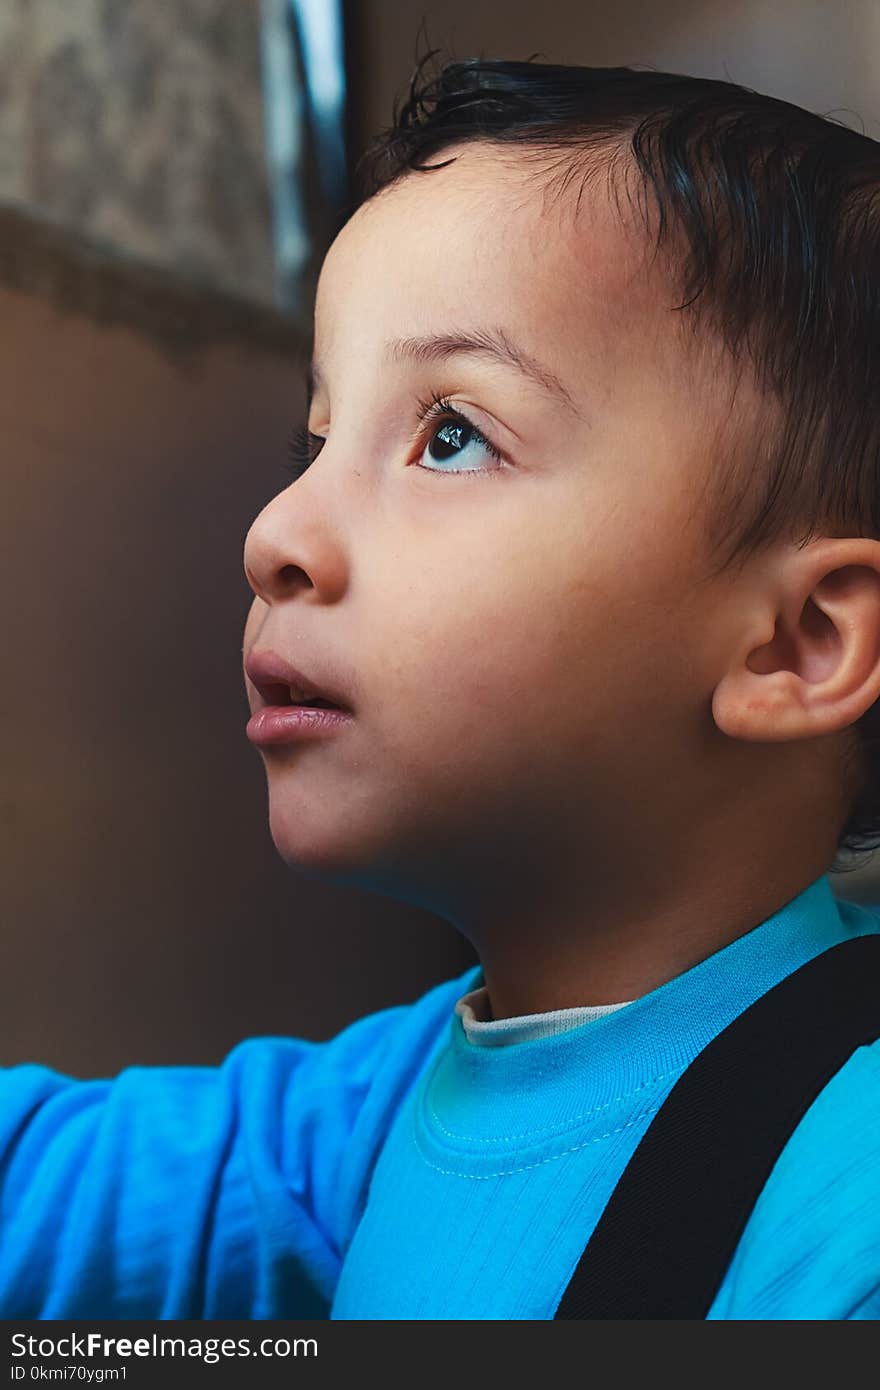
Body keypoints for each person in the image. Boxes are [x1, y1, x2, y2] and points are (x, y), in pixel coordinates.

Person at [3, 52, 880, 1321]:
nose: (275, 534)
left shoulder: (844, 1204)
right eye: (316, 440)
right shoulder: (388, 1103)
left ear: (796, 643)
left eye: (450, 434)